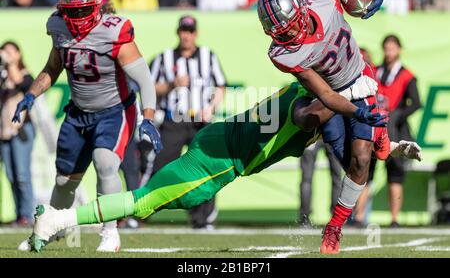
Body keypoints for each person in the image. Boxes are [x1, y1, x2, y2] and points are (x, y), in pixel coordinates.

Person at [27, 82, 422, 252]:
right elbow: (308, 118)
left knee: (142, 200)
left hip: (216, 136)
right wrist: (351, 100)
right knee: (141, 201)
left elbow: (347, 143)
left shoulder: (312, 89)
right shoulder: (317, 108)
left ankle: (55, 222)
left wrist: (394, 148)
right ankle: (58, 221)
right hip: (219, 164)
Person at [12, 0, 162, 252]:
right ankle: (52, 227)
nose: (78, 16)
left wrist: (149, 117)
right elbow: (52, 68)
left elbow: (144, 79)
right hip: (78, 113)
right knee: (64, 181)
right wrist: (31, 94)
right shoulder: (58, 26)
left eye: (83, 9)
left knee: (105, 164)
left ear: (97, 5)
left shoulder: (114, 30)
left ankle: (110, 232)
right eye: (72, 11)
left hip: (114, 111)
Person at [257, 0, 387, 254]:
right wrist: (356, 110)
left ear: (302, 8)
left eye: (290, 23)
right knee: (320, 134)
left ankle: (335, 226)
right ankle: (381, 135)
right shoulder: (283, 53)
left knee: (362, 159)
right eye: (280, 31)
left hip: (359, 76)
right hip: (334, 92)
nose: (288, 33)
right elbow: (327, 96)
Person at [149, 15, 226, 230]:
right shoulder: (164, 58)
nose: (186, 35)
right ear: (178, 32)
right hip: (173, 120)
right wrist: (172, 84)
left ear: (196, 34)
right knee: (161, 167)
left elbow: (221, 86)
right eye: (183, 30)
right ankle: (141, 212)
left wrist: (211, 107)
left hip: (200, 121)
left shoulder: (208, 56)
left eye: (190, 31)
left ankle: (203, 219)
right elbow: (149, 87)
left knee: (205, 170)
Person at [365, 34, 422, 227]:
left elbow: (416, 103)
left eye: (392, 48)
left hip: (395, 131)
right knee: (365, 171)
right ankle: (357, 217)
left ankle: (394, 219)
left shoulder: (407, 76)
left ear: (399, 50)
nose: (389, 52)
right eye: (386, 48)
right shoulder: (375, 71)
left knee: (395, 174)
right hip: (374, 128)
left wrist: (397, 115)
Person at [0, 41, 35, 226]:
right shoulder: (3, 75)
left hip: (21, 130)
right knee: (11, 175)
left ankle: (28, 215)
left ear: (18, 54)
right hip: (4, 131)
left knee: (22, 174)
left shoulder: (25, 74)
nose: (5, 54)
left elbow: (22, 85)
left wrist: (11, 63)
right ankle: (19, 214)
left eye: (10, 51)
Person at [299, 139, 342, 228]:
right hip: (331, 132)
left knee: (306, 179)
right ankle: (336, 219)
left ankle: (304, 219)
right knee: (337, 179)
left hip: (312, 132)